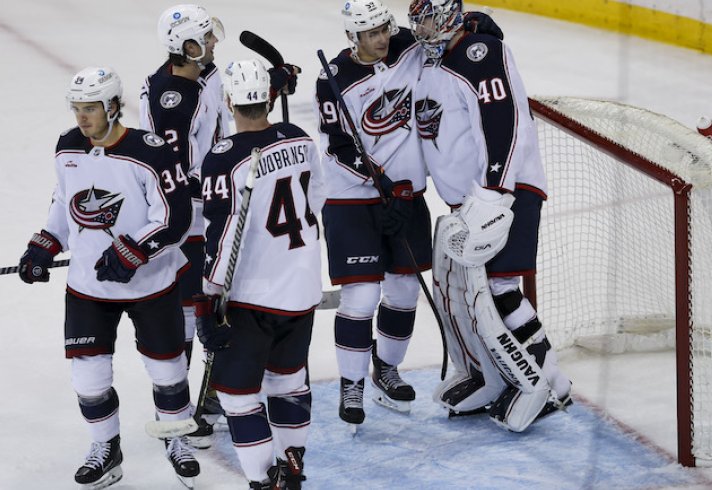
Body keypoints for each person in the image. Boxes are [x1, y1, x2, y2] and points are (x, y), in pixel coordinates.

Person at [315, 0, 504, 428]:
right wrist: (377, 179)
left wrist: (477, 25)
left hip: (407, 196)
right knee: (361, 297)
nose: (382, 38)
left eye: (385, 27)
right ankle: (352, 385)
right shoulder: (333, 80)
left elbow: (445, 28)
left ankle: (386, 368)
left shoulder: (407, 45)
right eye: (371, 34)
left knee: (402, 292)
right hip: (352, 199)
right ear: (352, 38)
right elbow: (339, 144)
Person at [18, 66, 199, 488]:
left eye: (91, 108)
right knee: (89, 378)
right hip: (88, 287)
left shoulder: (148, 151)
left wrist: (133, 250)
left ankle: (176, 439)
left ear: (114, 107)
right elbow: (64, 202)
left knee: (168, 370)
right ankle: (106, 449)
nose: (82, 118)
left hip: (150, 285)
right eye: (77, 108)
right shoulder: (67, 147)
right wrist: (44, 243)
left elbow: (175, 217)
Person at [408, 0, 573, 432]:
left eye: (426, 17)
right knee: (471, 293)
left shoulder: (479, 53)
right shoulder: (435, 61)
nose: (419, 28)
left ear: (447, 14)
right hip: (471, 202)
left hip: (507, 193)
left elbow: (504, 123)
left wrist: (496, 191)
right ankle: (496, 378)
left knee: (500, 289)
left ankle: (552, 382)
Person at [140, 4, 300, 446]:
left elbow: (228, 86)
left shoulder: (198, 74)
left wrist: (270, 83)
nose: (214, 43)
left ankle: (209, 394)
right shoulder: (171, 100)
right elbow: (176, 171)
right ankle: (181, 407)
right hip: (186, 217)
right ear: (186, 47)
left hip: (208, 208)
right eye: (205, 39)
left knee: (217, 302)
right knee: (193, 311)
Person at [196, 59, 325, 489]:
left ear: (229, 100)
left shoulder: (225, 158)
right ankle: (292, 467)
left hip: (252, 293)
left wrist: (207, 297)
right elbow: (318, 197)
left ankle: (261, 481)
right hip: (303, 285)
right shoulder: (301, 138)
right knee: (288, 382)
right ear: (270, 96)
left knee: (237, 394)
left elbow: (224, 230)